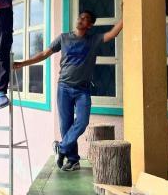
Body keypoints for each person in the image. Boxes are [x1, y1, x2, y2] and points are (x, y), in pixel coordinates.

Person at [14, 9, 123, 171]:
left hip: (82, 90)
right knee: (65, 125)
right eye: (80, 17)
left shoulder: (94, 39)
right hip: (64, 87)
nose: (81, 20)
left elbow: (113, 33)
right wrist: (23, 64)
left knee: (82, 121)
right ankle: (73, 160)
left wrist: (124, 13)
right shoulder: (64, 38)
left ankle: (62, 147)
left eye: (85, 19)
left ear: (90, 25)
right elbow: (44, 53)